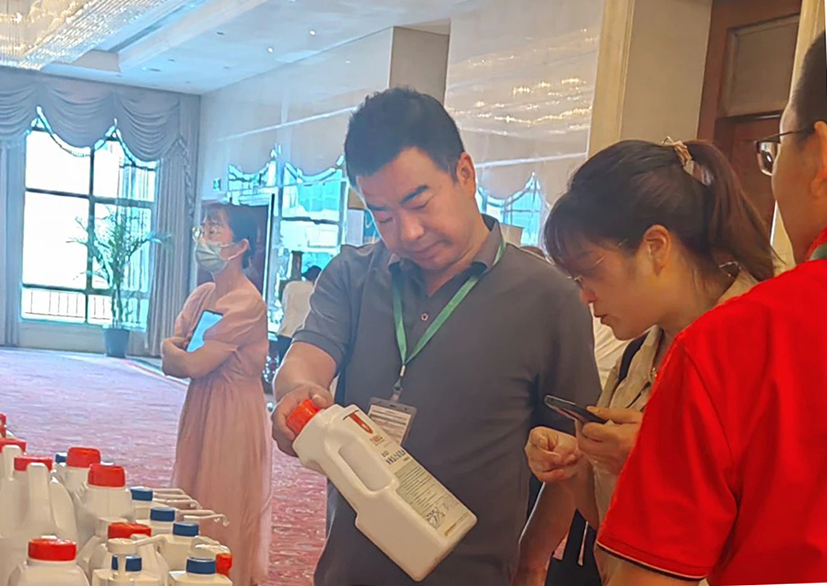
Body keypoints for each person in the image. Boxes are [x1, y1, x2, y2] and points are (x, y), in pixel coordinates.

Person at [271, 87, 602, 586]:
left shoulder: (548, 299)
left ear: (464, 174)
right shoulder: (353, 275)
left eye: (419, 202)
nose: (407, 232)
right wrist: (297, 393)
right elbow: (306, 359)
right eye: (383, 215)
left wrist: (533, 559)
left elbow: (571, 456)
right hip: (349, 570)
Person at [589, 32, 827, 585]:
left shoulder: (734, 343)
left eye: (777, 147)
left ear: (820, 156)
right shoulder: (651, 353)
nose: (585, 294)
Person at [523, 136, 776, 584]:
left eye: (591, 271)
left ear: (655, 246)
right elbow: (615, 533)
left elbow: (783, 528)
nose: (585, 295)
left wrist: (661, 460)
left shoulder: (762, 343)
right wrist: (578, 467)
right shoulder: (638, 355)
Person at [161, 203, 272, 586]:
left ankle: (224, 576)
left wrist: (170, 350)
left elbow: (191, 363)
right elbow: (177, 357)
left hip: (233, 410)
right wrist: (173, 352)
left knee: (222, 500)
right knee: (192, 488)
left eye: (214, 231)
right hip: (201, 404)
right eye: (203, 230)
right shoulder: (203, 294)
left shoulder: (247, 302)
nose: (205, 238)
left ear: (240, 246)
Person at [275, 264, 322, 363]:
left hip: (284, 332)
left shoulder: (290, 286)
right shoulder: (315, 291)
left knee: (282, 366)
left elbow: (284, 306)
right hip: (301, 337)